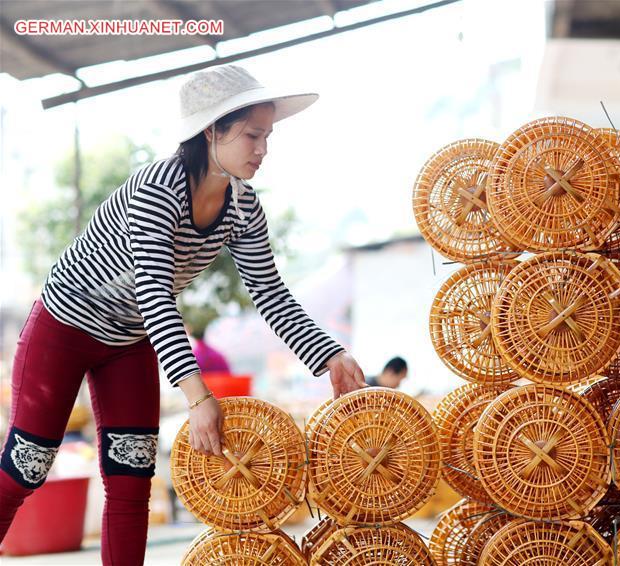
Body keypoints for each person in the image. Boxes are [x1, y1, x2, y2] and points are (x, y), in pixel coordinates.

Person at [0, 64, 366, 565]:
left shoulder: (243, 205)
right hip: (64, 327)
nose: (262, 149)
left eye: (267, 136)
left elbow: (269, 291)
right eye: (252, 135)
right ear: (212, 130)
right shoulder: (158, 186)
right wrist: (197, 397)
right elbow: (154, 290)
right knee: (28, 468)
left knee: (131, 480)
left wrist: (331, 356)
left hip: (129, 341)